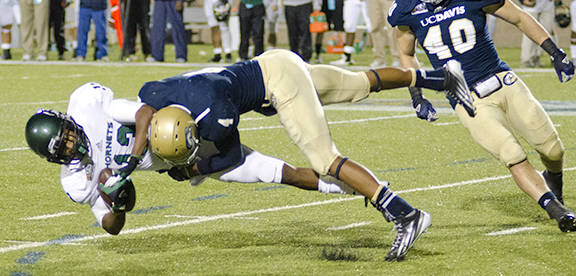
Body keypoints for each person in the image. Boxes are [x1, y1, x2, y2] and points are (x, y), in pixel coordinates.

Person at [100, 49, 476, 260]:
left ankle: (404, 214)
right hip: (276, 61)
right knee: (359, 84)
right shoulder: (156, 95)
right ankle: (441, 78)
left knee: (324, 160)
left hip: (280, 84)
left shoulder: (216, 119)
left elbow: (230, 159)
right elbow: (145, 114)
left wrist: (195, 165)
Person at [389, 0, 576, 233]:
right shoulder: (406, 8)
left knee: (552, 149)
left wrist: (555, 52)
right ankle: (556, 210)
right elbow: (406, 53)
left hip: (502, 79)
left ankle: (554, 180)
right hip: (465, 96)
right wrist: (416, 95)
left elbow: (518, 17)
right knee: (510, 153)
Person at [24, 82, 364, 235]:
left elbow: (144, 112)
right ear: (54, 158)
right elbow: (110, 228)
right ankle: (353, 188)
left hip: (183, 123)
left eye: (67, 135)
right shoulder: (76, 181)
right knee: (272, 172)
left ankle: (293, 88)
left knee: (256, 99)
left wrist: (130, 162)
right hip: (187, 163)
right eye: (63, 148)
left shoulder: (87, 105)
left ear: (67, 122)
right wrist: (119, 207)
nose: (71, 144)